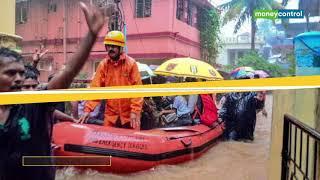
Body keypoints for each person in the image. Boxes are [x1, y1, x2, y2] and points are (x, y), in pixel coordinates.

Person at [0, 2, 106, 179]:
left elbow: (68, 72)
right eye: (11, 73)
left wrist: (91, 35)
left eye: (21, 73)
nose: (19, 78)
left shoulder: (34, 103)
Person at [79, 31, 143, 130]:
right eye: (108, 46)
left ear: (120, 48)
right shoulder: (103, 65)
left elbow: (137, 90)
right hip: (111, 116)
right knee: (108, 142)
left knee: (132, 142)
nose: (110, 49)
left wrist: (134, 111)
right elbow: (95, 89)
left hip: (130, 116)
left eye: (113, 46)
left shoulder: (131, 64)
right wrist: (88, 110)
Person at [219, 75, 265, 142]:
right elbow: (225, 108)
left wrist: (260, 100)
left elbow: (259, 107)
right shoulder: (230, 95)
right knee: (231, 143)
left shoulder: (253, 95)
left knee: (246, 143)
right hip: (232, 126)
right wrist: (221, 117)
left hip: (247, 127)